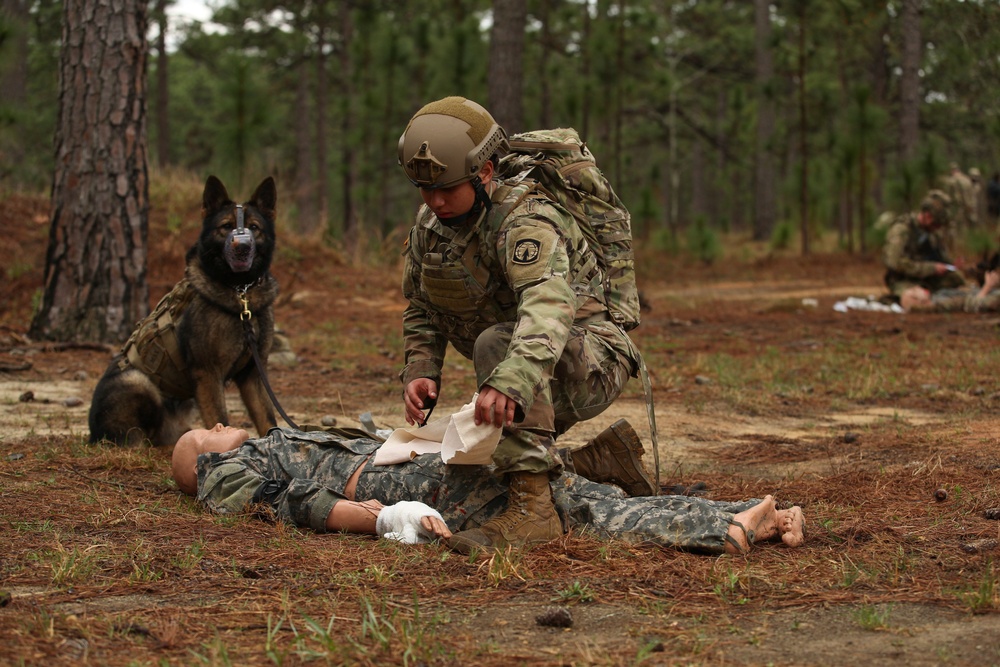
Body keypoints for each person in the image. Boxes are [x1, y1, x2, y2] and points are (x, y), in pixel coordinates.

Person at [395, 96, 644, 552]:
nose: (435, 200)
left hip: (593, 359)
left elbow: (548, 309)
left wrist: (509, 380)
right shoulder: (432, 223)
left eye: (447, 188)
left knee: (496, 345)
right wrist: (421, 369)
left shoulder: (526, 220)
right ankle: (600, 464)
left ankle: (535, 515)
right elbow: (420, 305)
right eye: (424, 189)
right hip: (526, 363)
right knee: (476, 469)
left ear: (484, 172)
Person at [171, 424, 806, 555]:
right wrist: (385, 519)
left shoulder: (283, 435)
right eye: (208, 430)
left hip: (417, 461)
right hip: (407, 487)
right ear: (201, 455)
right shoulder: (225, 471)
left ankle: (741, 517)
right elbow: (290, 505)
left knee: (576, 495)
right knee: (576, 508)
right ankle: (728, 525)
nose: (221, 422)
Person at [883, 189, 966, 298]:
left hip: (928, 278)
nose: (938, 228)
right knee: (917, 297)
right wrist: (931, 268)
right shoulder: (902, 230)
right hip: (903, 279)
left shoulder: (932, 234)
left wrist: (951, 265)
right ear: (928, 216)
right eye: (937, 224)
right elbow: (895, 262)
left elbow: (940, 257)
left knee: (956, 278)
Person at [900, 270, 1000, 312]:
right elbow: (972, 304)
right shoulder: (941, 303)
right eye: (913, 290)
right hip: (985, 298)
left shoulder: (937, 295)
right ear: (918, 301)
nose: (917, 287)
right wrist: (988, 286)